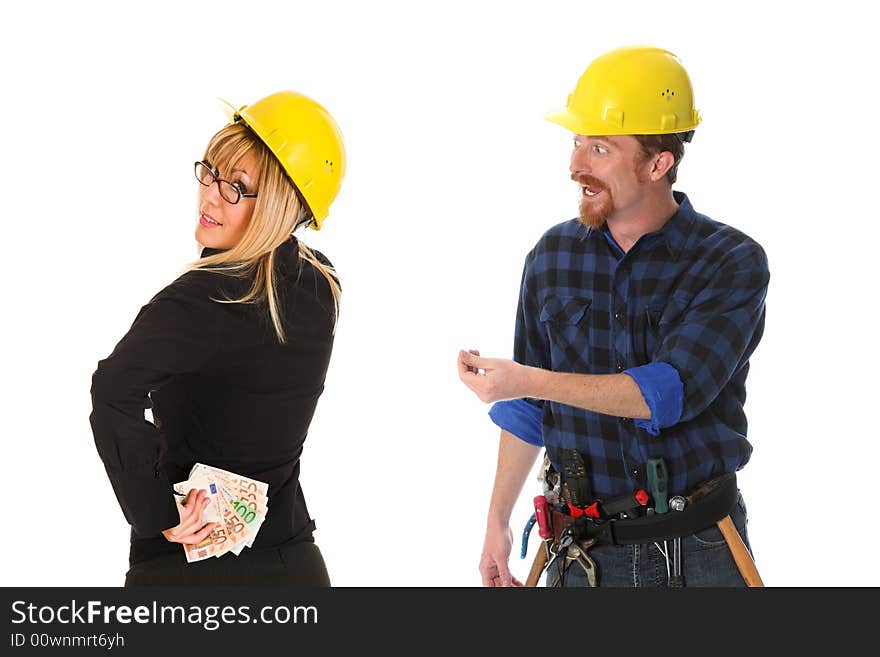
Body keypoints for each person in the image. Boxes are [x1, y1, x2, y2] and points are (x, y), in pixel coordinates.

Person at [457, 46, 769, 588]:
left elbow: (667, 393)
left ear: (658, 162)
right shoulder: (552, 258)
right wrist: (496, 520)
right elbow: (530, 411)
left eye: (599, 148)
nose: (576, 165)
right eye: (576, 142)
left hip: (698, 550)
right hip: (583, 553)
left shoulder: (729, 261)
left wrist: (528, 379)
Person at [90, 90, 346, 586]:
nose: (210, 194)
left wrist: (157, 513)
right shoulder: (322, 283)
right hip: (296, 566)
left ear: (278, 204)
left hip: (192, 573)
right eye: (211, 171)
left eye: (237, 187)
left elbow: (112, 388)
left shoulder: (202, 298)